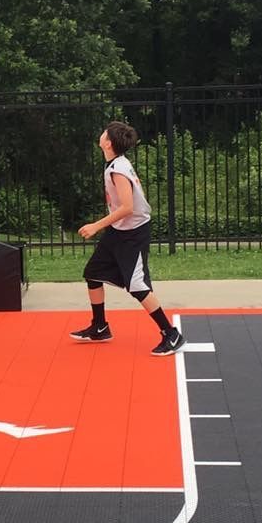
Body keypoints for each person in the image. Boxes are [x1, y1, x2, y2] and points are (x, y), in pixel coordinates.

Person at [70, 121, 185, 356]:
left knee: (136, 285)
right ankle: (100, 326)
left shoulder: (117, 170)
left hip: (133, 233)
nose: (100, 134)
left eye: (104, 133)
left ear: (108, 142)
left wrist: (96, 226)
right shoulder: (115, 163)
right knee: (93, 272)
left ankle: (171, 334)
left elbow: (128, 207)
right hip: (120, 229)